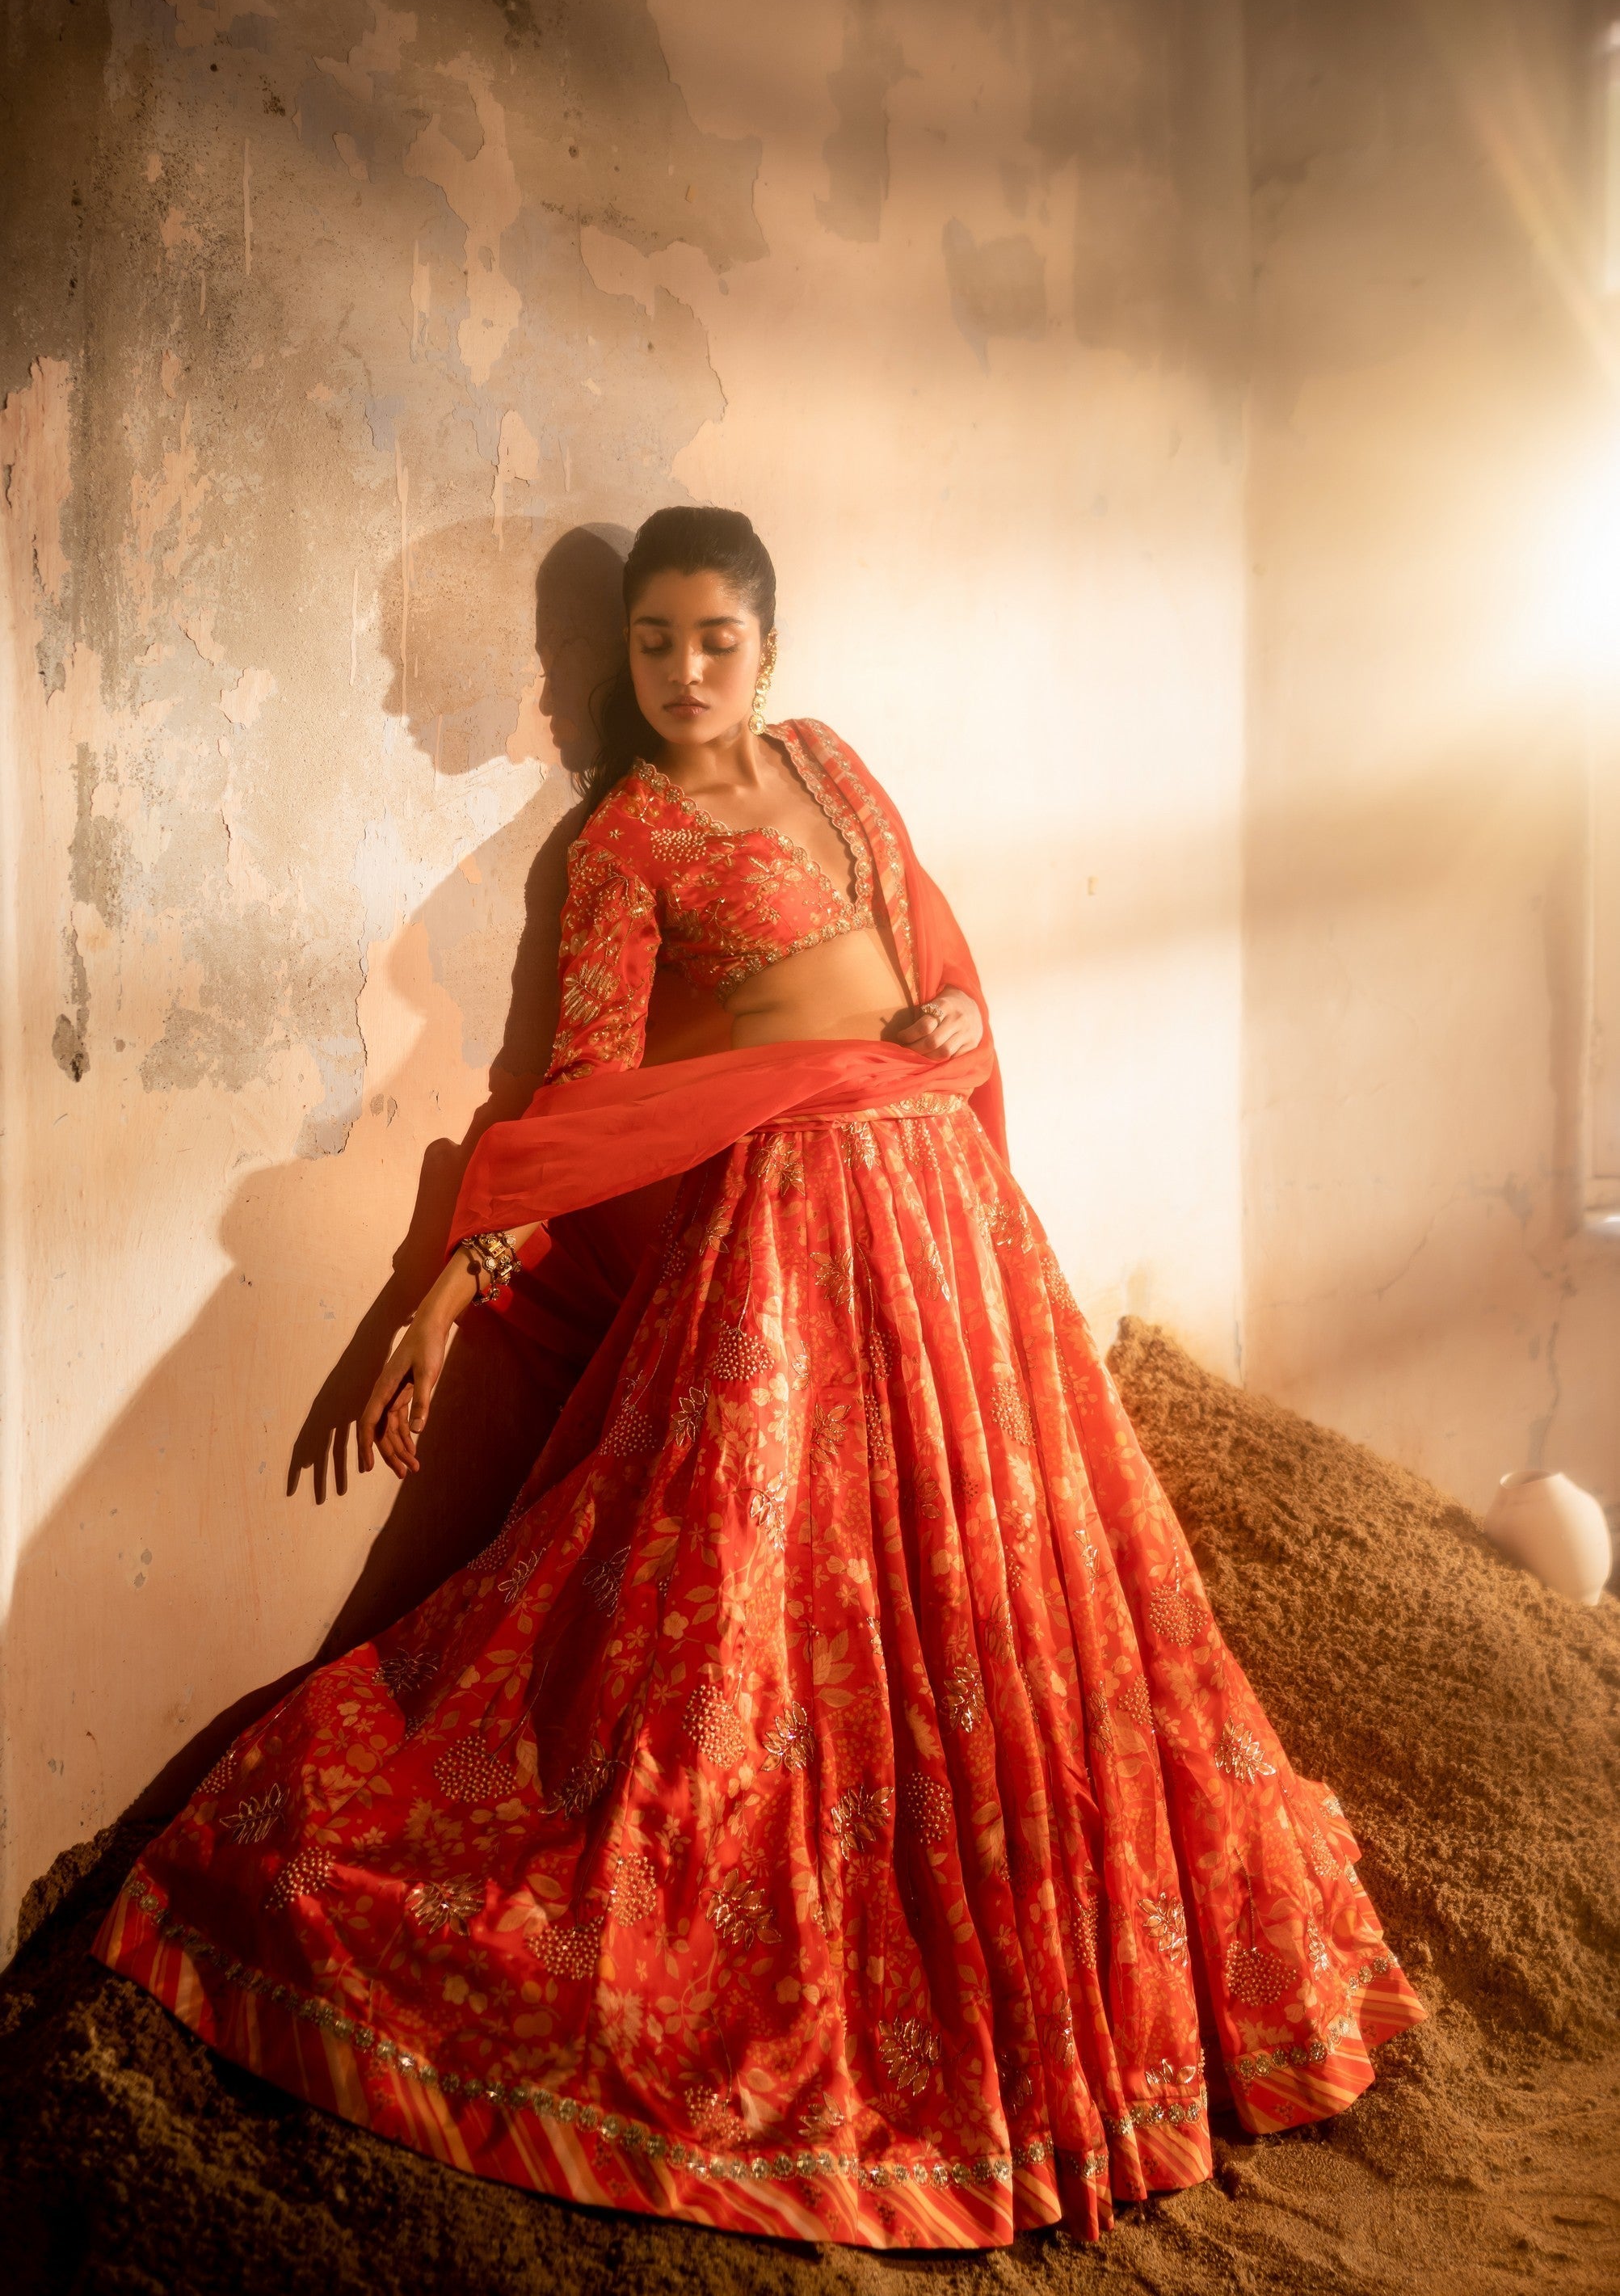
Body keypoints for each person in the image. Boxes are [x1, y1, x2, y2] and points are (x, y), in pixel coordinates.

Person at [95, 508, 1424, 2249]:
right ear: (622, 659)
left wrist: (953, 1025)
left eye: (714, 638)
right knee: (745, 1626)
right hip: (788, 1236)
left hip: (951, 1225)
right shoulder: (626, 846)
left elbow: (929, 969)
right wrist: (447, 1287)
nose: (684, 671)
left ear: (769, 649)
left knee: (1022, 1607)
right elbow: (586, 1093)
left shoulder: (830, 766)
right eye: (654, 641)